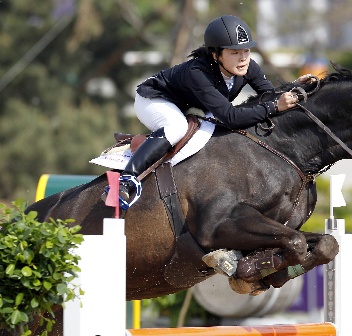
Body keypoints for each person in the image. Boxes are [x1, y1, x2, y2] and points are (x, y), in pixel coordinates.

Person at [102, 15, 315, 209]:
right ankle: (127, 179)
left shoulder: (249, 67)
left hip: (191, 106)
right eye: (235, 53)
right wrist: (274, 106)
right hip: (154, 100)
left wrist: (290, 88)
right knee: (177, 127)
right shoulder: (198, 72)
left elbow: (270, 95)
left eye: (246, 51)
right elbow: (231, 116)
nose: (243, 59)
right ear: (216, 54)